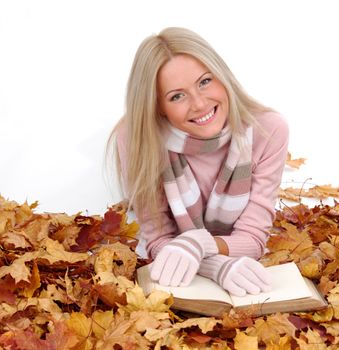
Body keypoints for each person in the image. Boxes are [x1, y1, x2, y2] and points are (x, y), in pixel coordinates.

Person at [108, 27, 289, 297]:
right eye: (177, 96)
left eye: (205, 81)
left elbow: (252, 238)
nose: (200, 103)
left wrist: (197, 243)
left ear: (221, 75)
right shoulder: (137, 139)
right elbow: (159, 241)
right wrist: (217, 267)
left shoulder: (267, 130)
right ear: (158, 106)